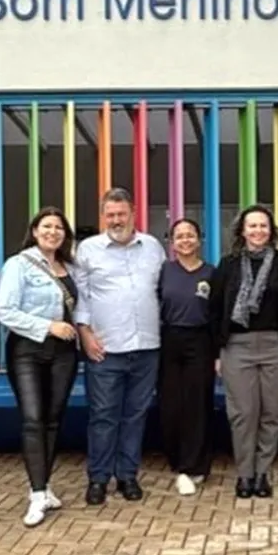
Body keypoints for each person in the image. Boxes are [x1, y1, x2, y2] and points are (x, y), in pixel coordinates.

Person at [73, 188, 166, 505]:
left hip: (147, 347)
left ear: (133, 213)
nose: (116, 220)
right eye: (110, 214)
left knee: (135, 415)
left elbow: (161, 291)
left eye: (121, 214)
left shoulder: (152, 247)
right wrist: (85, 334)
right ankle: (98, 478)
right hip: (105, 348)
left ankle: (127, 476)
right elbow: (81, 296)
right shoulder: (88, 249)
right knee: (103, 416)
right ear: (103, 216)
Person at [0, 207, 80, 527]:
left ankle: (44, 485)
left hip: (64, 353)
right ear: (34, 230)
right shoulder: (18, 264)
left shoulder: (70, 267)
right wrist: (48, 326)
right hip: (27, 350)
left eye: (59, 227)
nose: (52, 232)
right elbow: (5, 311)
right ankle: (37, 494)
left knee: (53, 421)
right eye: (47, 226)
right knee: (33, 419)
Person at [208, 204, 278, 499]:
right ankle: (245, 474)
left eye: (263, 225)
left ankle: (262, 473)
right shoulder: (228, 264)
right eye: (252, 226)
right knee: (243, 414)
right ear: (242, 231)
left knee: (272, 413)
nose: (258, 231)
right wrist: (217, 352)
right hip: (237, 346)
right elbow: (214, 309)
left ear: (271, 231)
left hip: (277, 346)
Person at [157, 218, 217, 496]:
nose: (185, 240)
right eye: (179, 236)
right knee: (171, 405)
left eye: (190, 235)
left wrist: (218, 353)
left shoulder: (211, 273)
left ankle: (194, 465)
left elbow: (217, 314)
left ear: (199, 239)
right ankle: (177, 461)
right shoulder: (164, 271)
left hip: (201, 341)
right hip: (169, 339)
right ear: (171, 242)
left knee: (198, 403)